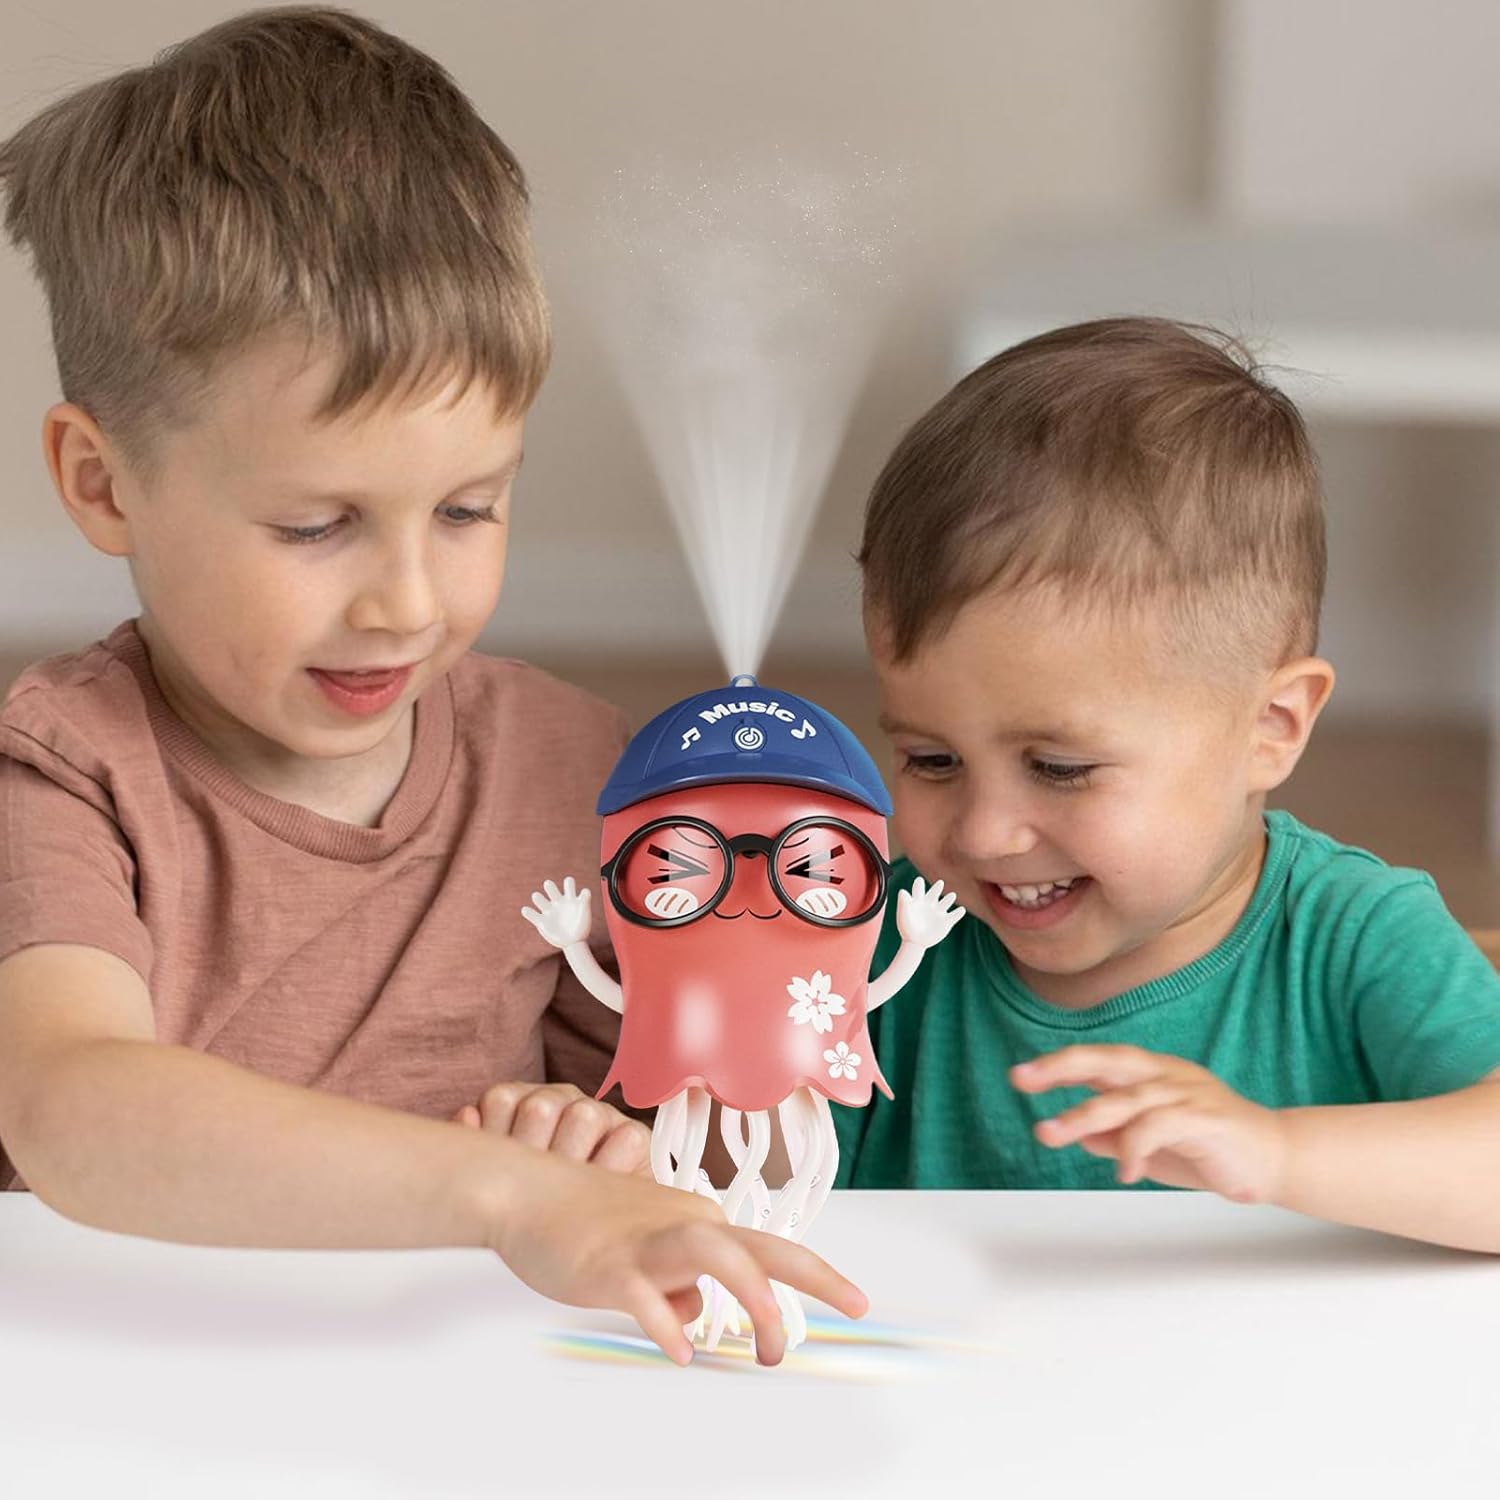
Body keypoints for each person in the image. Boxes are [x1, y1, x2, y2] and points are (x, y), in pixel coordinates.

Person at [0, 6, 864, 1364]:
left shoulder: (575, 769)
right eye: (316, 526)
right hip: (123, 1381)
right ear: (103, 483)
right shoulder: (64, 769)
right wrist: (507, 1194)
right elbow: (71, 1112)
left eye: (468, 510)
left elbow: (669, 1150)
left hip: (460, 1387)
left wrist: (607, 1140)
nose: (407, 602)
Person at [835, 316, 1500, 1252]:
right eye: (931, 760)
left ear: (1271, 729)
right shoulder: (875, 949)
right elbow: (752, 1201)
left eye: (1059, 768)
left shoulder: (1356, 937)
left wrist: (1279, 1155)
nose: (983, 833)